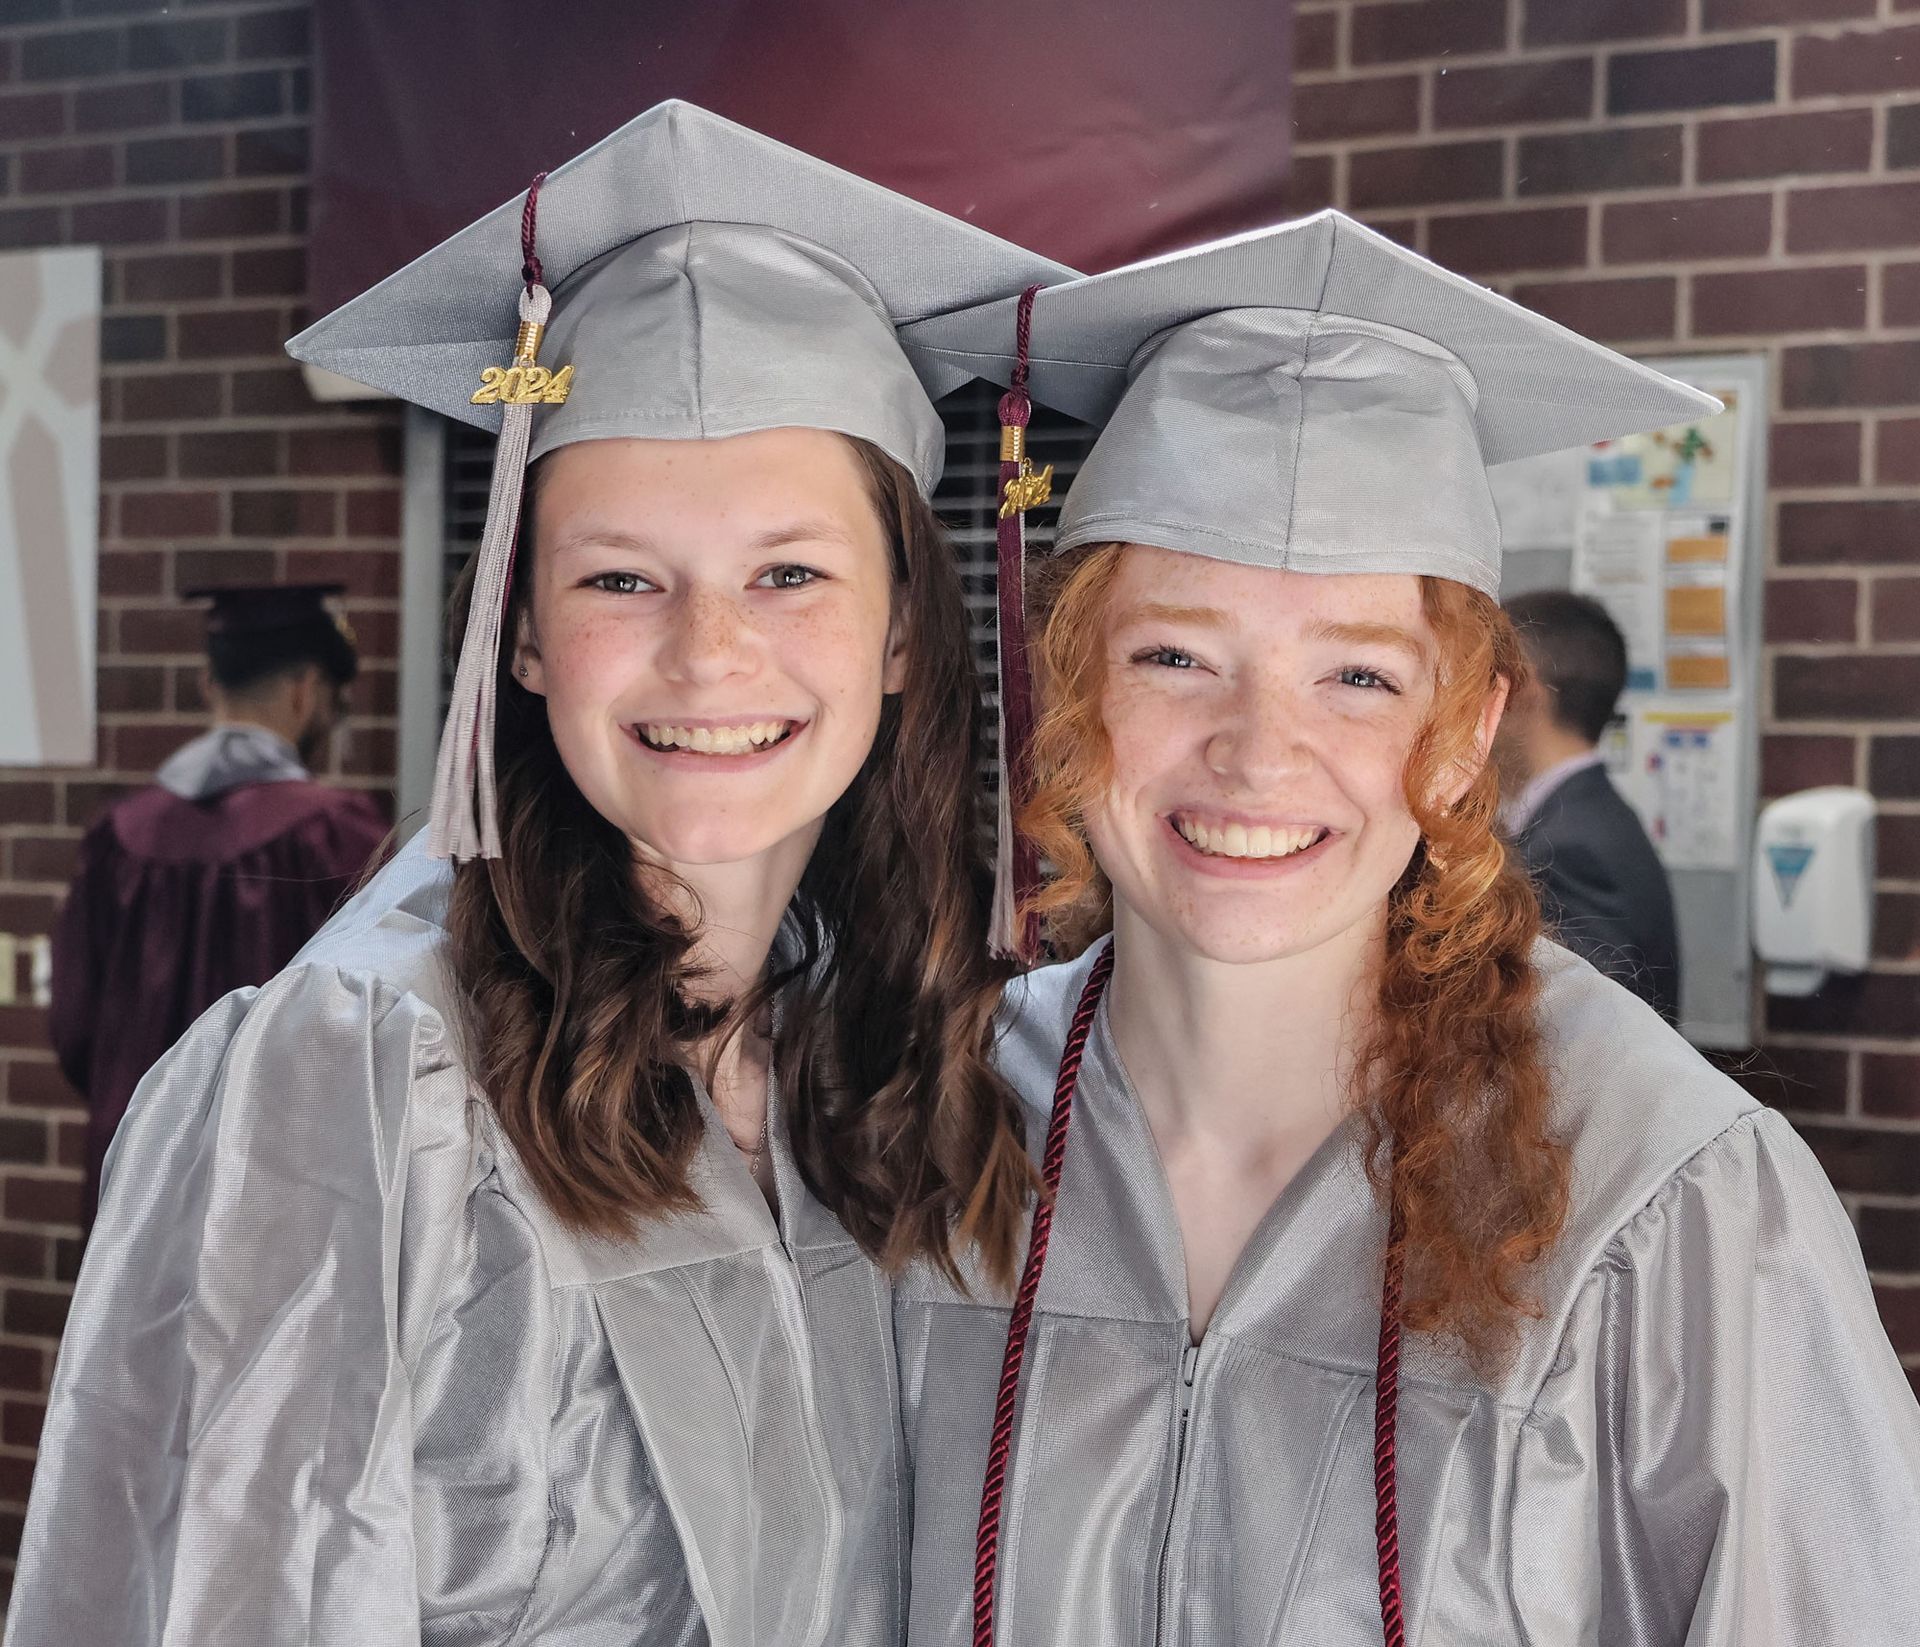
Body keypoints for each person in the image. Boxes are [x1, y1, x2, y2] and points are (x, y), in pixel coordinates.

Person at [7, 102, 1070, 1647]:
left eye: (790, 572)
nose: (711, 651)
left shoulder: (895, 1053)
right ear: (518, 633)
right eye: (620, 577)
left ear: (905, 626)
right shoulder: (358, 1080)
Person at [891, 211, 1920, 1644]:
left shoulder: (1664, 1195)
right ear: (1074, 700)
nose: (1258, 751)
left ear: (1463, 737)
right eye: (1175, 655)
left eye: (1359, 678)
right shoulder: (931, 1134)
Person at [49, 581, 387, 1228]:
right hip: (277, 1198)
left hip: (133, 1186)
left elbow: (74, 1029)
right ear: (306, 691)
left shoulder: (118, 836)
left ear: (209, 685)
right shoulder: (336, 835)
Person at [1498, 589, 1681, 1023]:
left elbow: (1575, 1035)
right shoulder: (1589, 819)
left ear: (1523, 693)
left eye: (1485, 681)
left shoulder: (1572, 849)